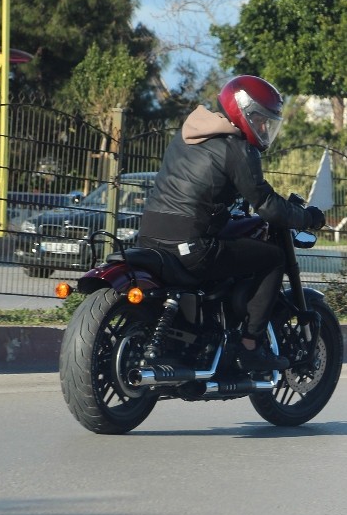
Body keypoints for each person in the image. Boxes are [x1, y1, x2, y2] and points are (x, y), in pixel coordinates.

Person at [137, 75, 325, 372]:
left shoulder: (188, 134)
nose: (264, 128)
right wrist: (308, 216)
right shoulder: (236, 148)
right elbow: (266, 205)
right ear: (243, 112)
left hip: (149, 237)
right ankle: (250, 346)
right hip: (191, 245)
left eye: (267, 121)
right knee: (273, 259)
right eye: (260, 119)